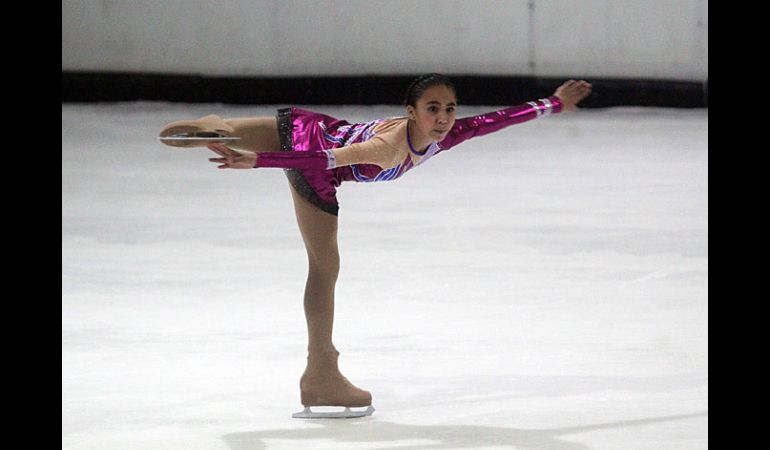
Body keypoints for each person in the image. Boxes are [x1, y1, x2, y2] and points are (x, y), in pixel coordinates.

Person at [159, 74, 592, 418]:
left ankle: (214, 127)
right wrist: (261, 162)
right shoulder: (387, 147)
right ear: (411, 111)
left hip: (313, 127)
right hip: (316, 162)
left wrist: (555, 103)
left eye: (449, 109)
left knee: (262, 136)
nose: (442, 118)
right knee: (324, 267)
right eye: (432, 109)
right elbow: (324, 161)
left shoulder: (447, 134)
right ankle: (321, 373)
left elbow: (500, 118)